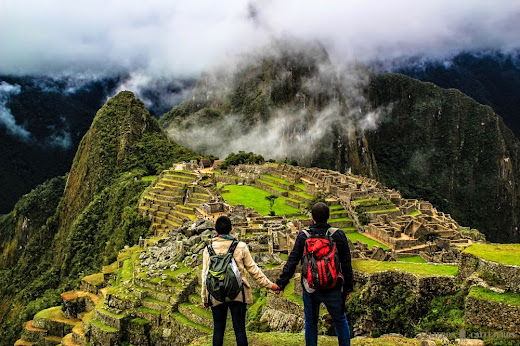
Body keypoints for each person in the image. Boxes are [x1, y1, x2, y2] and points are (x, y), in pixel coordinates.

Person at [275, 202, 353, 346]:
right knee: (340, 320)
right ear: (328, 217)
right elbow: (346, 264)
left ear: (312, 217)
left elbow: (292, 261)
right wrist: (349, 287)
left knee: (311, 323)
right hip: (334, 287)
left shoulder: (304, 236)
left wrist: (281, 282)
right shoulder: (338, 235)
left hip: (310, 288)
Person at [201, 215, 280, 346]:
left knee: (218, 330)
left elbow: (205, 276)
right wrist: (271, 286)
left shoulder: (208, 250)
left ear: (215, 230)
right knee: (240, 330)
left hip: (216, 295)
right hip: (238, 293)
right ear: (231, 228)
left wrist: (205, 298)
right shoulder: (240, 246)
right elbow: (254, 270)